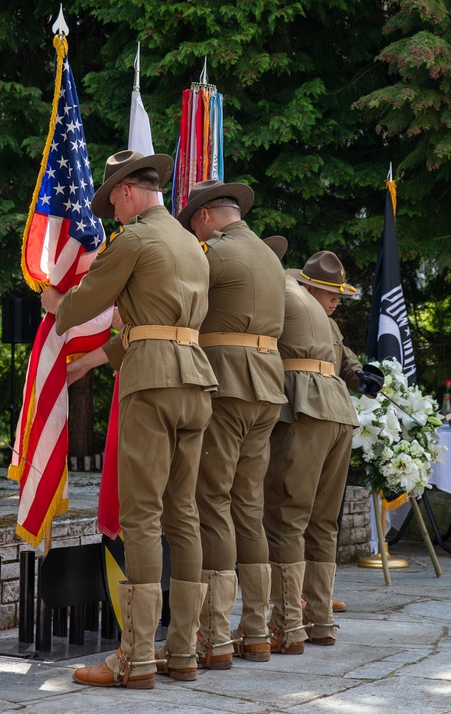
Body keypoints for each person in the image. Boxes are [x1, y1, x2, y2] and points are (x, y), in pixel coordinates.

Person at [41, 150, 217, 688]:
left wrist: (54, 301)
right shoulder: (193, 244)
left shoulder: (136, 239)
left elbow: (85, 302)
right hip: (195, 380)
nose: (111, 214)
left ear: (124, 192)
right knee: (183, 514)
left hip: (154, 380)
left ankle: (136, 657)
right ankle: (183, 652)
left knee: (142, 517)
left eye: (111, 202)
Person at [175, 180, 287, 667]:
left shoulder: (214, 253)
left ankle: (214, 635)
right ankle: (257, 630)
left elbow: (177, 307)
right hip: (267, 386)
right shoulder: (268, 254)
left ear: (203, 218)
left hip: (228, 383)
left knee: (211, 501)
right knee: (248, 503)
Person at [261, 247, 366, 655]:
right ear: (308, 285)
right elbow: (346, 362)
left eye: (338, 291)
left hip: (307, 409)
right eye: (328, 290)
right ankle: (320, 621)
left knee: (288, 517)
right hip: (339, 413)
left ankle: (288, 626)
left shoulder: (289, 301)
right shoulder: (319, 318)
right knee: (322, 521)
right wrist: (357, 375)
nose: (336, 297)